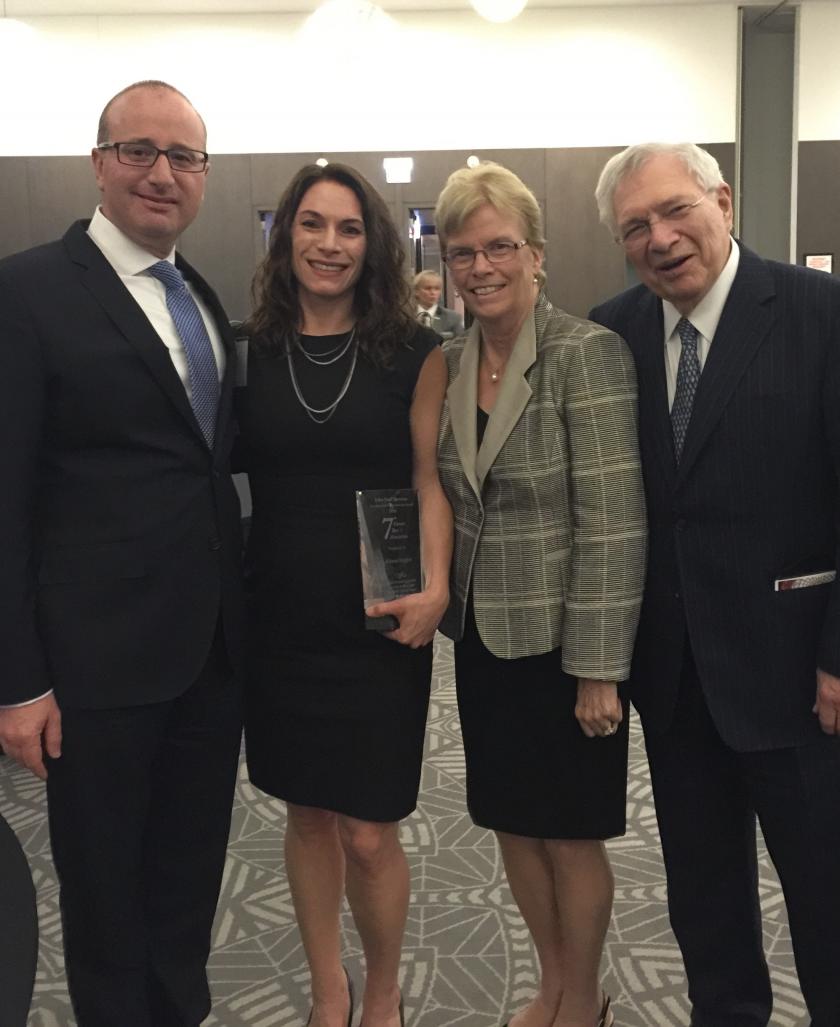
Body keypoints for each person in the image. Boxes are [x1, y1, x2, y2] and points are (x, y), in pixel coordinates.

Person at [589, 141, 840, 1027]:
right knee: (703, 893)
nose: (659, 238)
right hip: (675, 674)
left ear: (723, 202)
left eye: (674, 211)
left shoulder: (833, 314)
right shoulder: (611, 331)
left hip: (806, 675)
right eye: (635, 227)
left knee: (828, 891)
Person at [0, 80, 245, 1026]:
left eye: (184, 157)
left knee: (187, 886)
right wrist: (17, 681)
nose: (162, 173)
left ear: (204, 178)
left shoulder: (201, 293)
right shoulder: (26, 293)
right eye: (140, 151)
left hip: (208, 658)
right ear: (98, 164)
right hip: (93, 671)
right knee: (106, 899)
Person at [237, 162, 452, 1027]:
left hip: (379, 616)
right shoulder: (250, 348)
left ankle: (385, 986)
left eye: (351, 229)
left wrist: (435, 586)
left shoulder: (415, 351)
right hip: (280, 618)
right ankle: (331, 986)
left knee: (370, 828)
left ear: (375, 245)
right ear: (287, 234)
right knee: (309, 812)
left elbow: (428, 480)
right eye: (314, 225)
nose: (331, 244)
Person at [434, 162, 646, 1027]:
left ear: (537, 255)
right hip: (485, 639)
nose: (481, 266)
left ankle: (583, 995)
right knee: (511, 824)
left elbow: (615, 520)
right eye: (463, 253)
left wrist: (599, 670)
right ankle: (553, 982)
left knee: (570, 831)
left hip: (566, 649)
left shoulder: (584, 353)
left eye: (499, 247)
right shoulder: (447, 362)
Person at [413, 269, 464, 340]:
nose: (433, 293)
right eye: (428, 288)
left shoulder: (453, 318)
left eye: (437, 289)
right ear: (416, 291)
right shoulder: (404, 317)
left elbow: (460, 345)